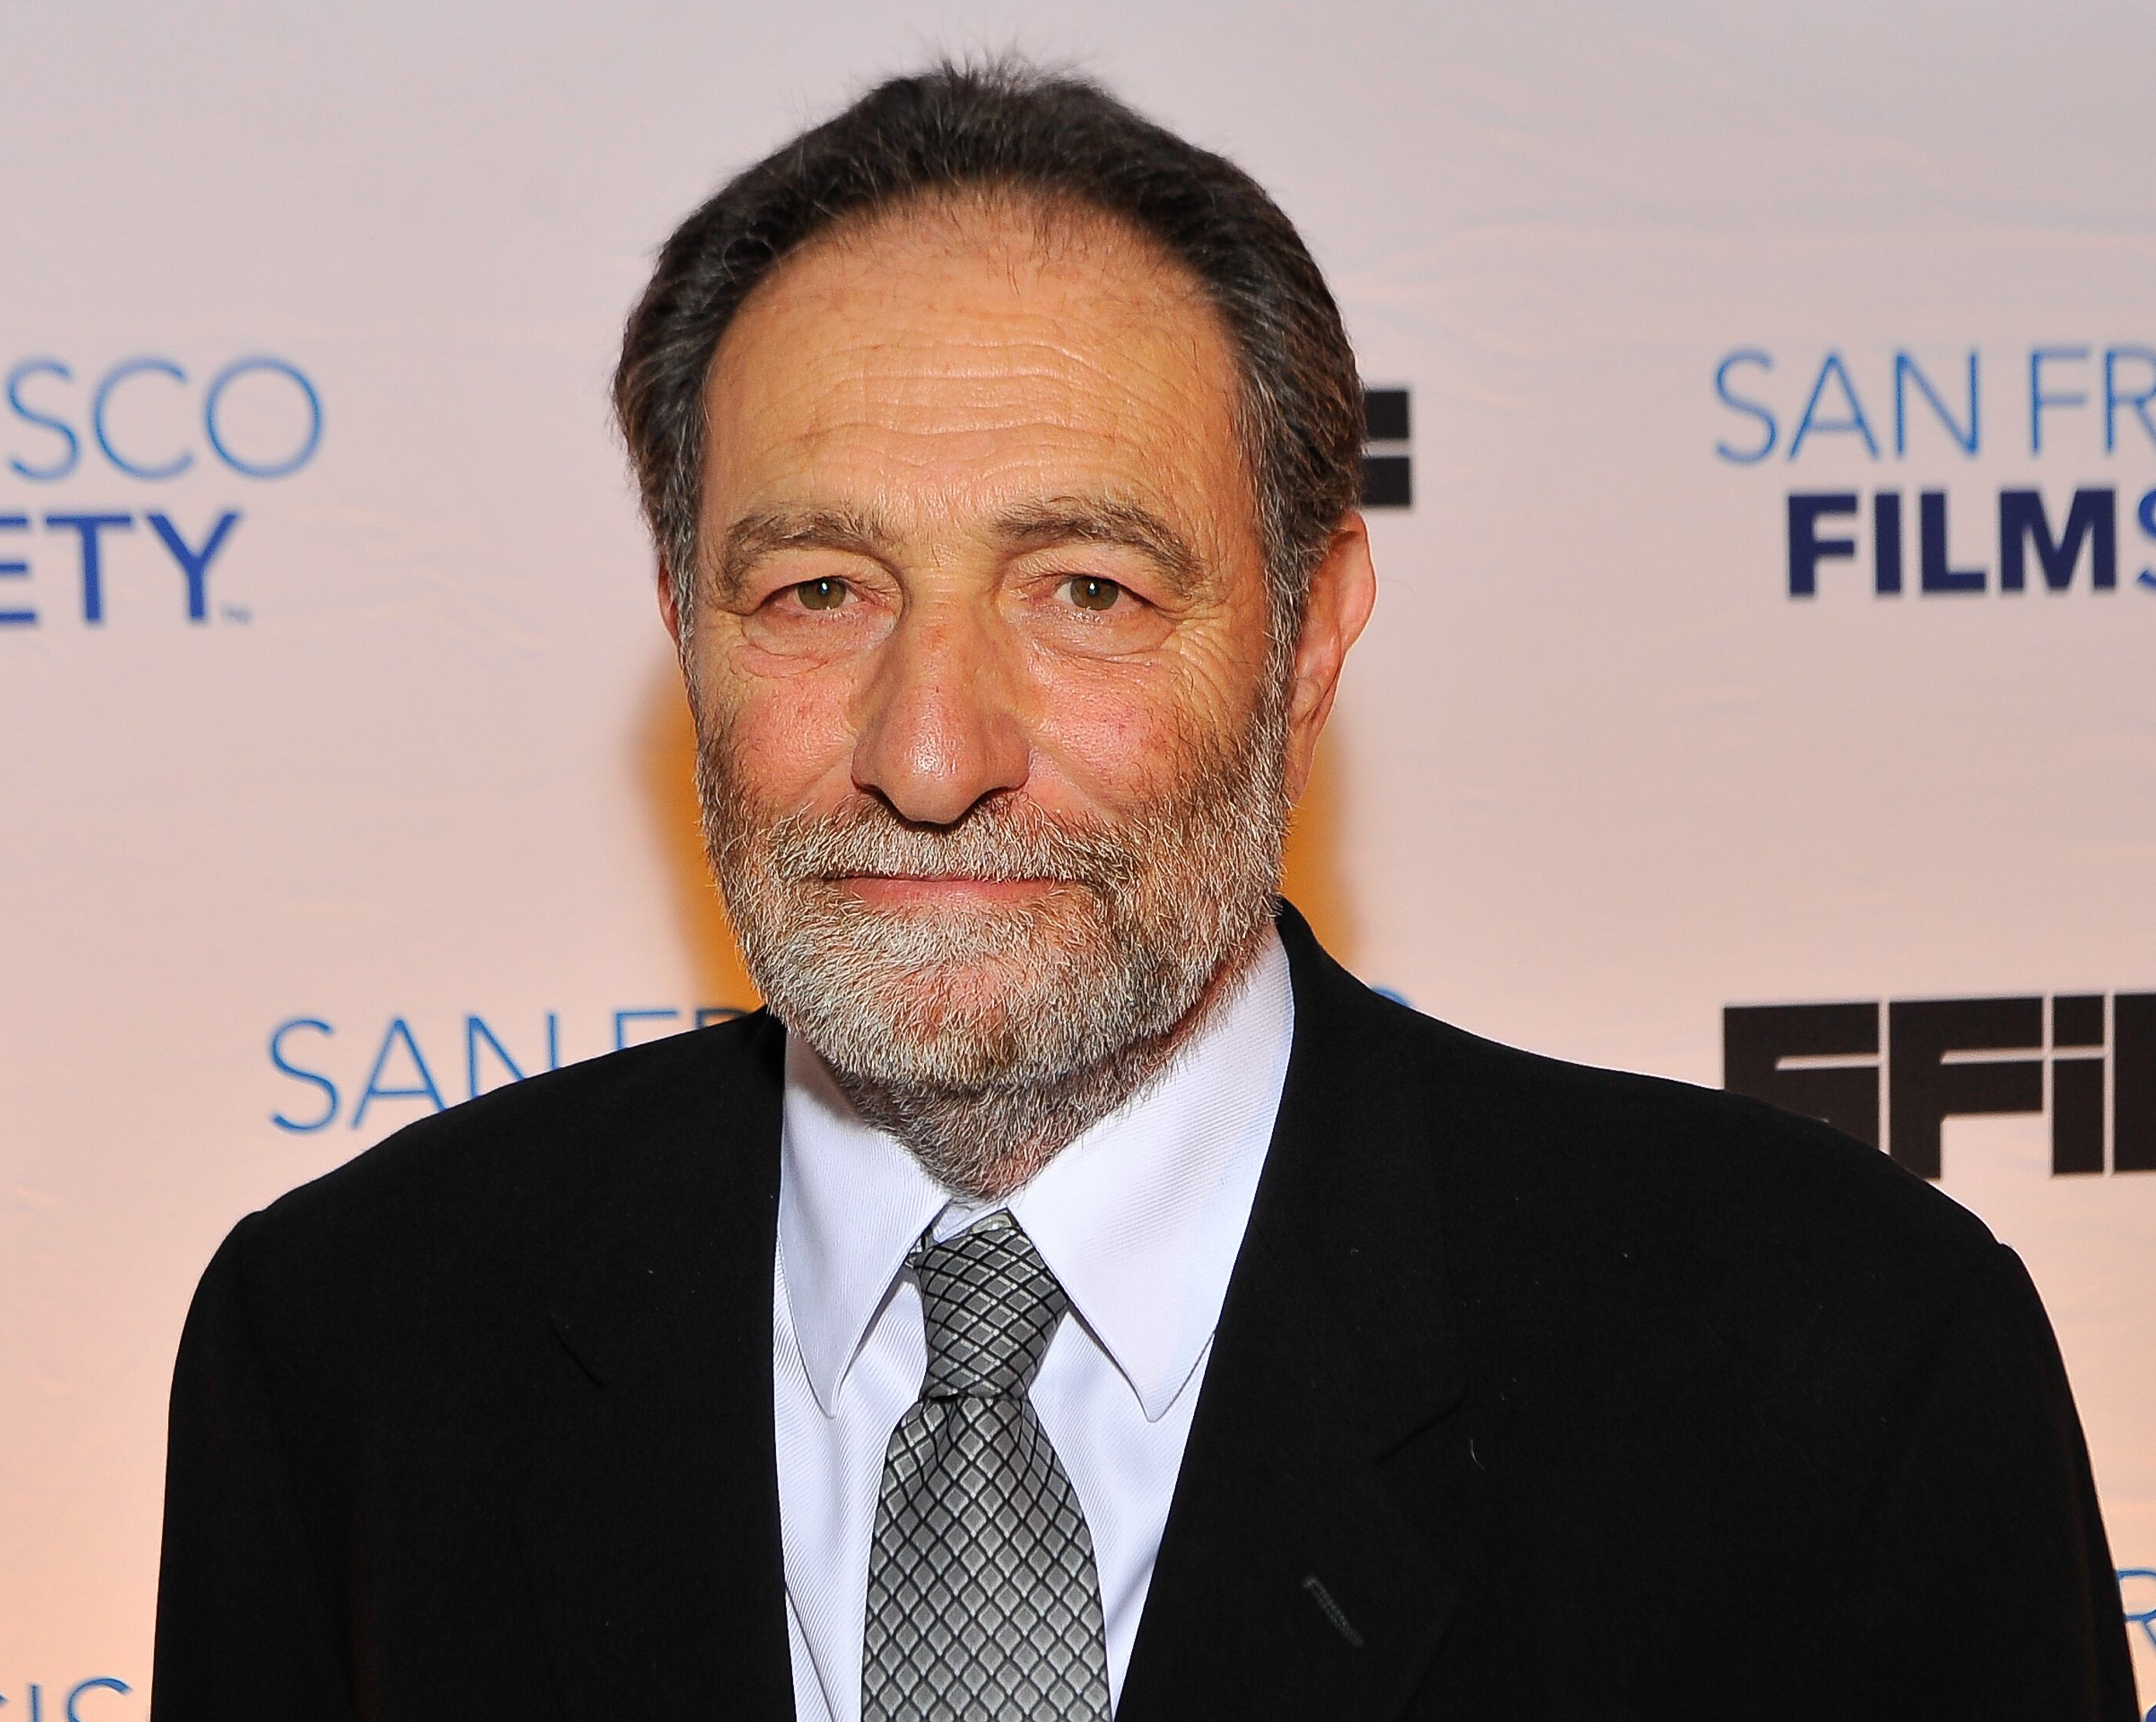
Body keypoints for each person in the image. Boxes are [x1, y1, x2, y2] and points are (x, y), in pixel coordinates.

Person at [150, 60, 2137, 1721]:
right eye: (815, 591)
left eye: (1086, 590)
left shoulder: (1833, 1371)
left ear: (1307, 635)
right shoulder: (350, 1358)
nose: (931, 755)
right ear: (683, 619)